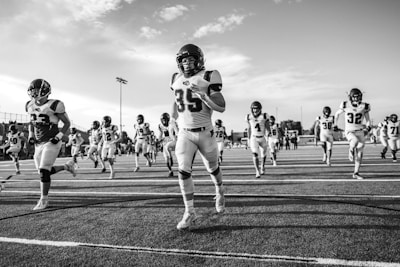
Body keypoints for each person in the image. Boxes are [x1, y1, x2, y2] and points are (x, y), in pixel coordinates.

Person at [170, 43, 226, 230]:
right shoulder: (175, 78)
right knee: (183, 170)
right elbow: (177, 100)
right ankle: (189, 212)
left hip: (205, 131)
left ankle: (219, 190)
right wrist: (172, 119)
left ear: (199, 60)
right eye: (183, 60)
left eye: (191, 59)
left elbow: (221, 106)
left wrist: (204, 95)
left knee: (212, 168)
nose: (187, 63)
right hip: (185, 132)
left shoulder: (208, 76)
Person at [25, 78, 76, 210]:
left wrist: (59, 136)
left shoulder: (55, 105)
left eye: (36, 90)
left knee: (43, 171)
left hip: (52, 141)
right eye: (32, 91)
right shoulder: (29, 105)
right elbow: (31, 123)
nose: (33, 93)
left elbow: (67, 123)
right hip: (39, 142)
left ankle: (44, 199)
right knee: (43, 171)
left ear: (45, 91)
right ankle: (66, 167)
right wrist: (31, 135)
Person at [334, 88, 371, 179]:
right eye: (354, 97)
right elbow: (337, 114)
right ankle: (350, 150)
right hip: (349, 130)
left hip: (360, 130)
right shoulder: (345, 104)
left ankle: (356, 172)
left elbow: (368, 119)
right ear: (351, 97)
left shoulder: (364, 106)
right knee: (354, 141)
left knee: (360, 152)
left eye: (358, 96)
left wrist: (368, 126)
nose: (356, 98)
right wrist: (335, 124)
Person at [246, 101, 270, 178]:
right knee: (255, 153)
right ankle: (257, 170)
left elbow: (267, 127)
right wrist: (248, 138)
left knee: (263, 154)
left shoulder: (264, 116)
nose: (255, 110)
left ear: (260, 109)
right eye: (253, 109)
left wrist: (268, 133)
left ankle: (262, 166)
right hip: (254, 137)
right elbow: (249, 128)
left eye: (256, 109)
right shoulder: (249, 116)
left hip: (262, 137)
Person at [158, 112, 177, 177]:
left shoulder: (172, 124)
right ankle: (170, 171)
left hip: (173, 141)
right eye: (163, 120)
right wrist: (159, 140)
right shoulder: (160, 126)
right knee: (166, 159)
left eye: (165, 119)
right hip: (165, 142)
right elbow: (160, 135)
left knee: (168, 146)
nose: (164, 121)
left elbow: (177, 132)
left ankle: (171, 157)